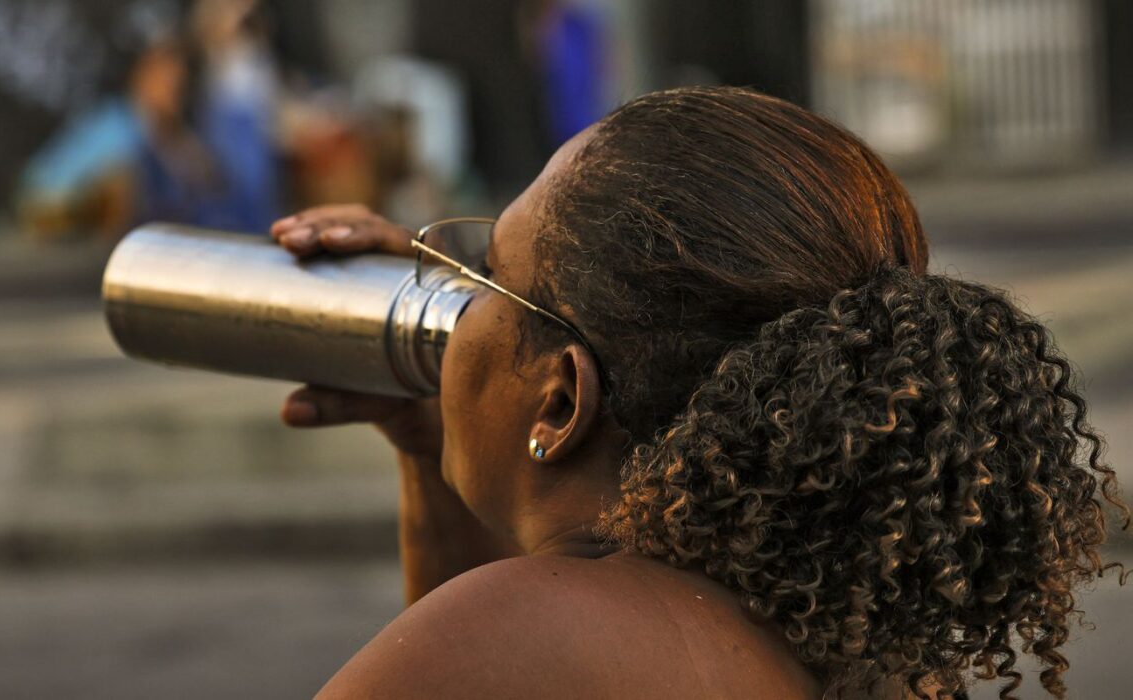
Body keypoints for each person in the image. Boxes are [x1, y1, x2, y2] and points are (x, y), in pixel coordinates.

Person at [268, 87, 1126, 699]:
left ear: (562, 402)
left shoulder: (528, 633)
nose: (456, 308)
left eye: (487, 274)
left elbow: (496, 646)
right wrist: (437, 450)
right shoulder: (863, 652)